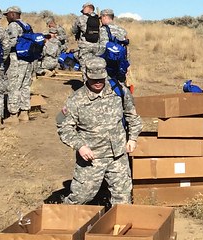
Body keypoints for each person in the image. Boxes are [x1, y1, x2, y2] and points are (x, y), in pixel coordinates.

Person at [56, 57, 142, 206]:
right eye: (93, 79)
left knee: (122, 199)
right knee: (80, 197)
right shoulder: (76, 99)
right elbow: (63, 126)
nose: (98, 82)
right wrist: (80, 146)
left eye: (101, 79)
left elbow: (132, 116)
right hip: (92, 158)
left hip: (118, 156)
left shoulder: (119, 91)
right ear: (86, 76)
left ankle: (117, 227)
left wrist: (133, 138)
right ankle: (62, 224)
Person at [3, 6, 36, 121]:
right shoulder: (27, 25)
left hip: (16, 59)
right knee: (25, 86)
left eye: (7, 14)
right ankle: (24, 112)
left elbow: (11, 43)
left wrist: (3, 55)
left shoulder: (13, 26)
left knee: (14, 86)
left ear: (12, 14)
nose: (6, 17)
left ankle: (13, 114)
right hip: (28, 60)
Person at [100, 9, 130, 82]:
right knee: (119, 83)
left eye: (101, 18)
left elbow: (101, 49)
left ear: (105, 17)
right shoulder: (122, 30)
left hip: (107, 63)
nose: (100, 20)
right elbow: (126, 49)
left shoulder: (101, 30)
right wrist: (127, 63)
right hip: (120, 62)